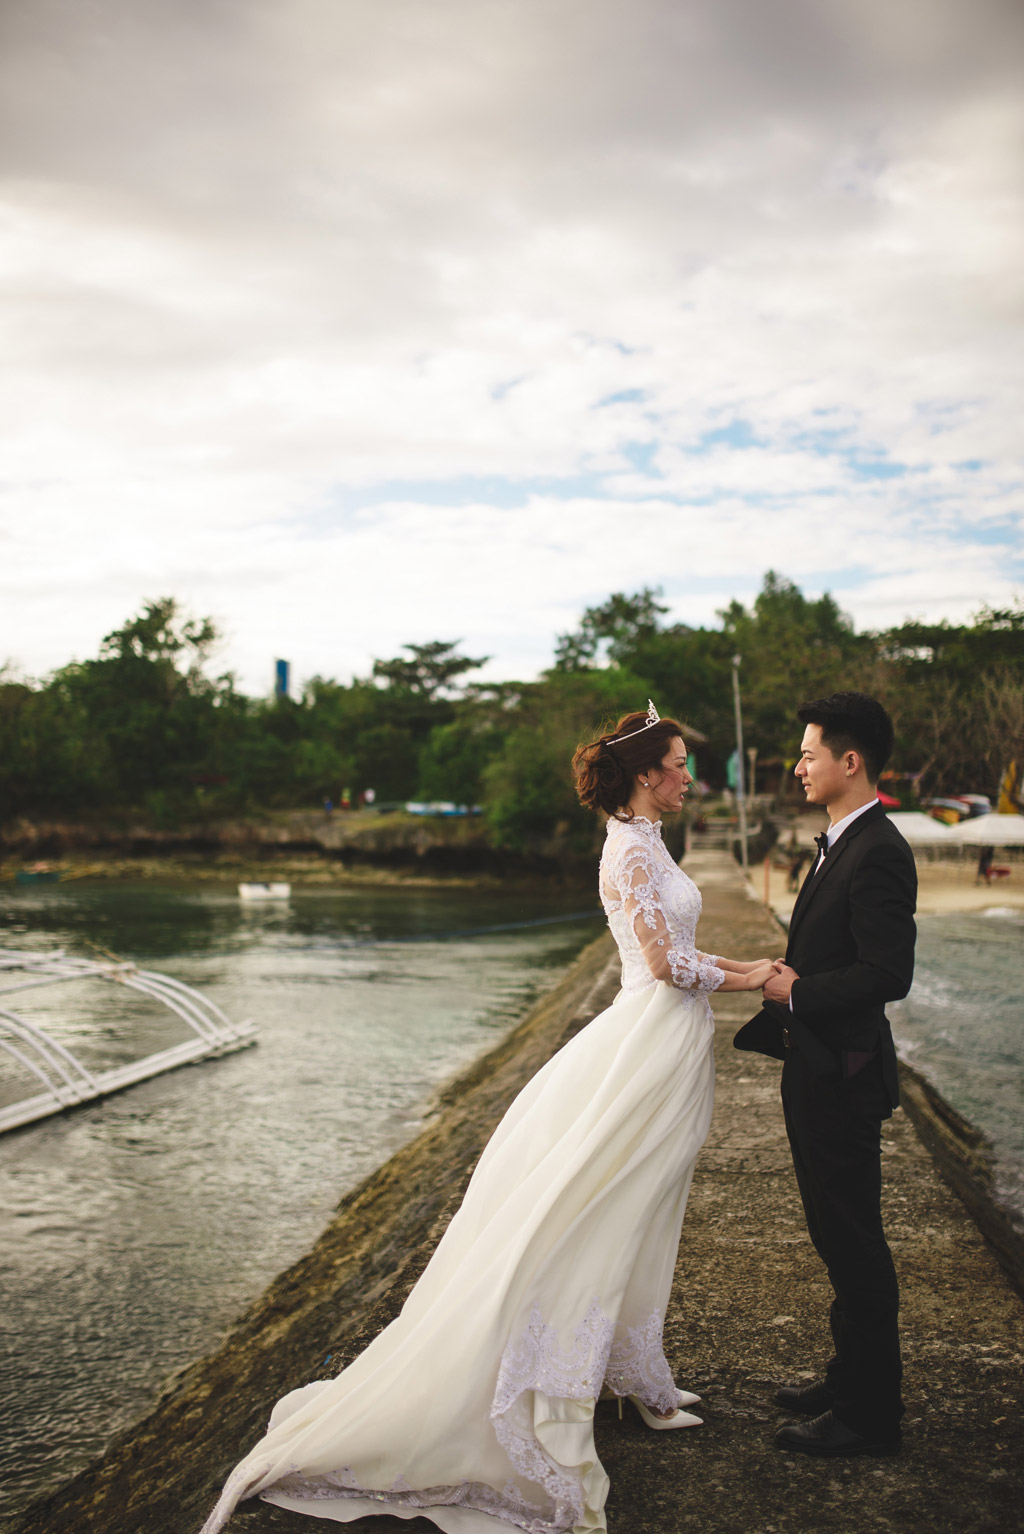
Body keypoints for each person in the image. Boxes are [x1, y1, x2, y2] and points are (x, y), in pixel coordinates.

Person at [199, 704, 776, 1534]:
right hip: (645, 1048)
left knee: (648, 1215)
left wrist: (743, 963)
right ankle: (572, 1388)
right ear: (647, 774)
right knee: (608, 1216)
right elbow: (660, 963)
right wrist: (752, 977)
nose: (691, 776)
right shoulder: (630, 848)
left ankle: (637, 1372)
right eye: (681, 764)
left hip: (668, 1043)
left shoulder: (649, 842)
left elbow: (684, 949)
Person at [735, 692, 916, 1458]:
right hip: (814, 1070)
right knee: (832, 1235)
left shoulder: (879, 849)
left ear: (850, 762)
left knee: (855, 1243)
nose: (798, 765)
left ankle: (870, 1416)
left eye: (809, 753)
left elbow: (888, 972)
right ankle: (848, 1376)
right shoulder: (841, 838)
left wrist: (796, 989)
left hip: (843, 1075)